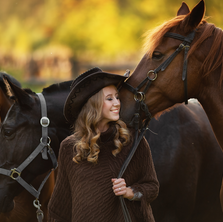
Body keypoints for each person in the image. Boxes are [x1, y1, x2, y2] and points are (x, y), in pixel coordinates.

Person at [48, 67, 159, 222]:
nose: (117, 103)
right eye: (109, 99)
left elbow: (152, 187)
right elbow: (60, 206)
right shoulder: (69, 147)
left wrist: (130, 191)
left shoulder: (133, 141)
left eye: (117, 97)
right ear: (93, 104)